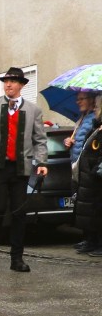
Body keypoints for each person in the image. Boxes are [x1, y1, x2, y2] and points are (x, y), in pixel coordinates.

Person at [0, 67, 49, 272]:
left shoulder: (33, 110)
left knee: (19, 213)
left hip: (21, 168)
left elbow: (40, 140)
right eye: (6, 81)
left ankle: (17, 259)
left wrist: (41, 162)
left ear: (21, 85)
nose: (9, 84)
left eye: (13, 81)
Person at [66, 92, 99, 252]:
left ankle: (93, 240)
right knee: (83, 205)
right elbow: (80, 142)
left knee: (90, 206)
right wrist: (69, 142)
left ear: (92, 100)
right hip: (79, 168)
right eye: (77, 98)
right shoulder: (81, 119)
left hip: (87, 168)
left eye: (81, 98)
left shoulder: (94, 118)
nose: (78, 101)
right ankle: (87, 238)